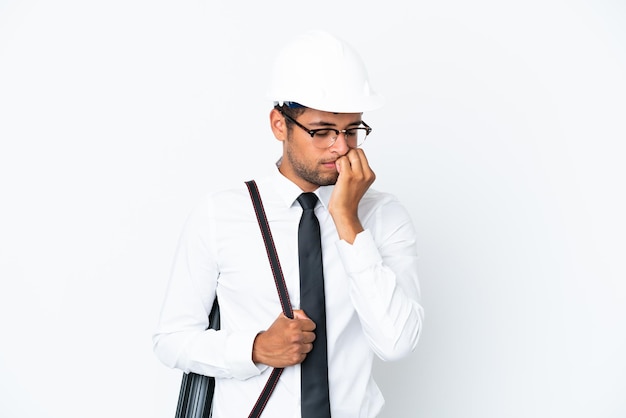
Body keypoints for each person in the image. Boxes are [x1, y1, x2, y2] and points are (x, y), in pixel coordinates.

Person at [153, 30, 424, 418]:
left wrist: (348, 221)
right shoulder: (220, 214)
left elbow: (396, 342)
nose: (342, 147)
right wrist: (255, 348)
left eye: (352, 130)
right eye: (323, 131)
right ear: (279, 124)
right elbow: (171, 339)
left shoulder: (383, 216)